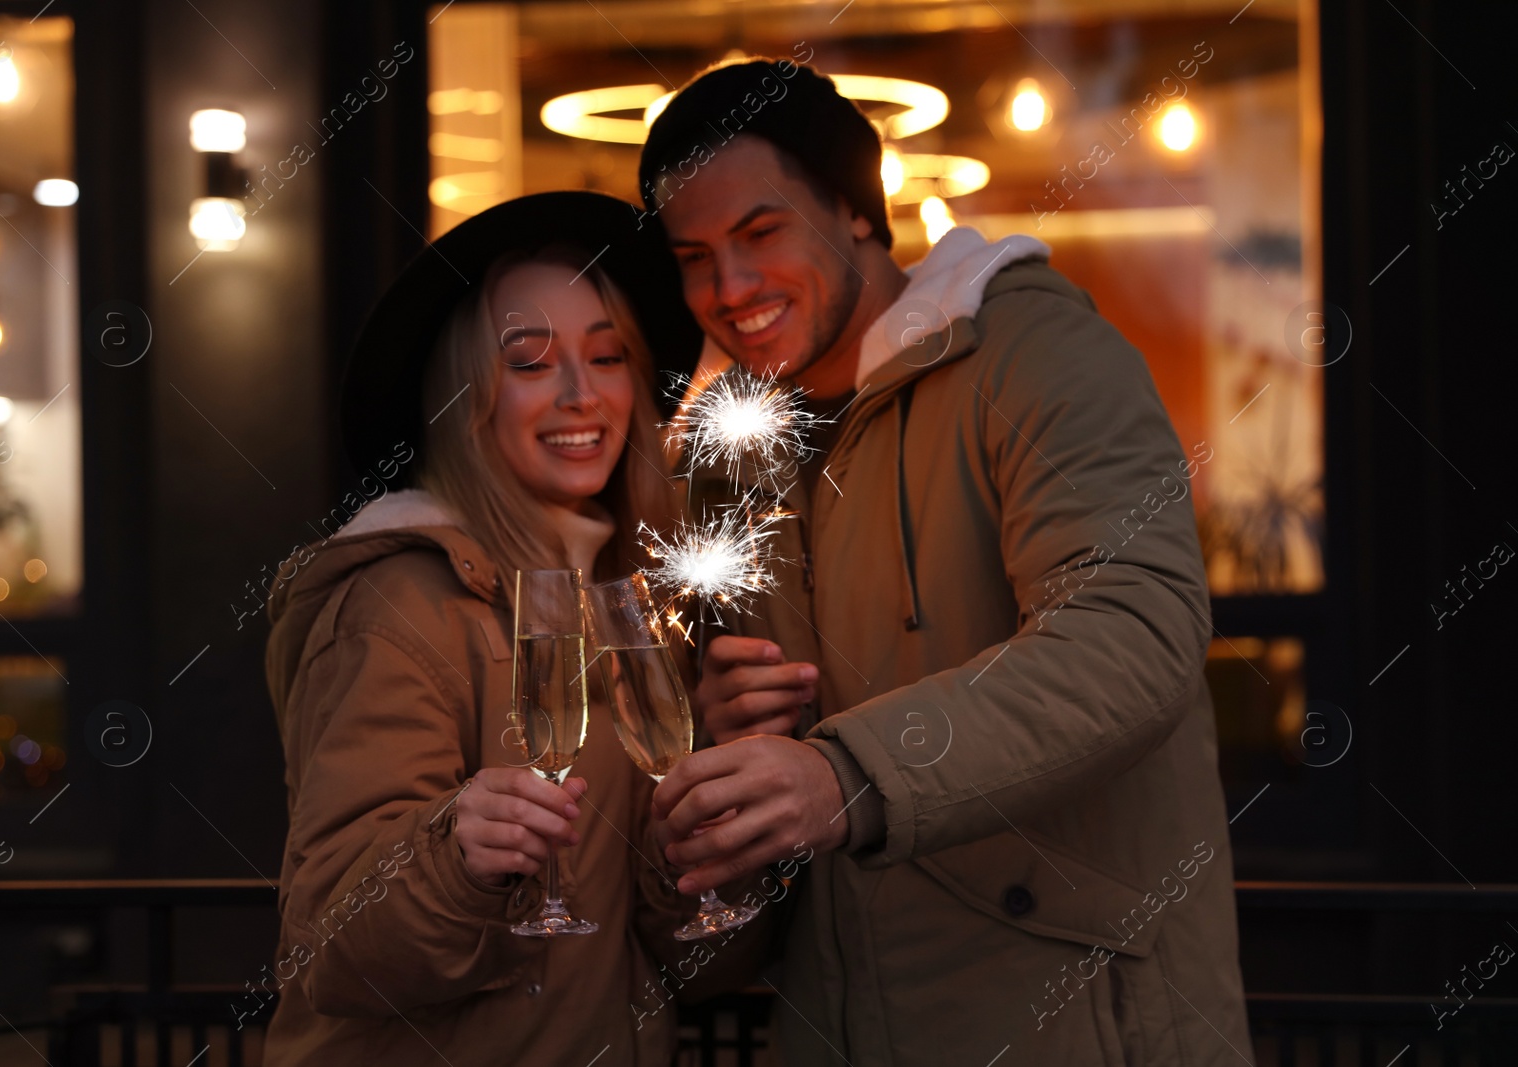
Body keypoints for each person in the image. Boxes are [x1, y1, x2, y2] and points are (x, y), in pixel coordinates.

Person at [641, 58, 1254, 1064]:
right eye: (694, 256)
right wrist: (712, 723)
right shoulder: (730, 447)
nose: (728, 288)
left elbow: (1132, 635)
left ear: (855, 212)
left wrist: (842, 773)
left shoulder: (1034, 352)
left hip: (1076, 1026)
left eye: (759, 234)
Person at [259, 191, 743, 1064]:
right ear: (466, 398)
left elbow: (682, 958)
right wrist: (459, 862)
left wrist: (712, 816)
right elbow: (331, 952)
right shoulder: (401, 602)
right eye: (530, 363)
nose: (579, 393)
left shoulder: (623, 605)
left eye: (607, 356)